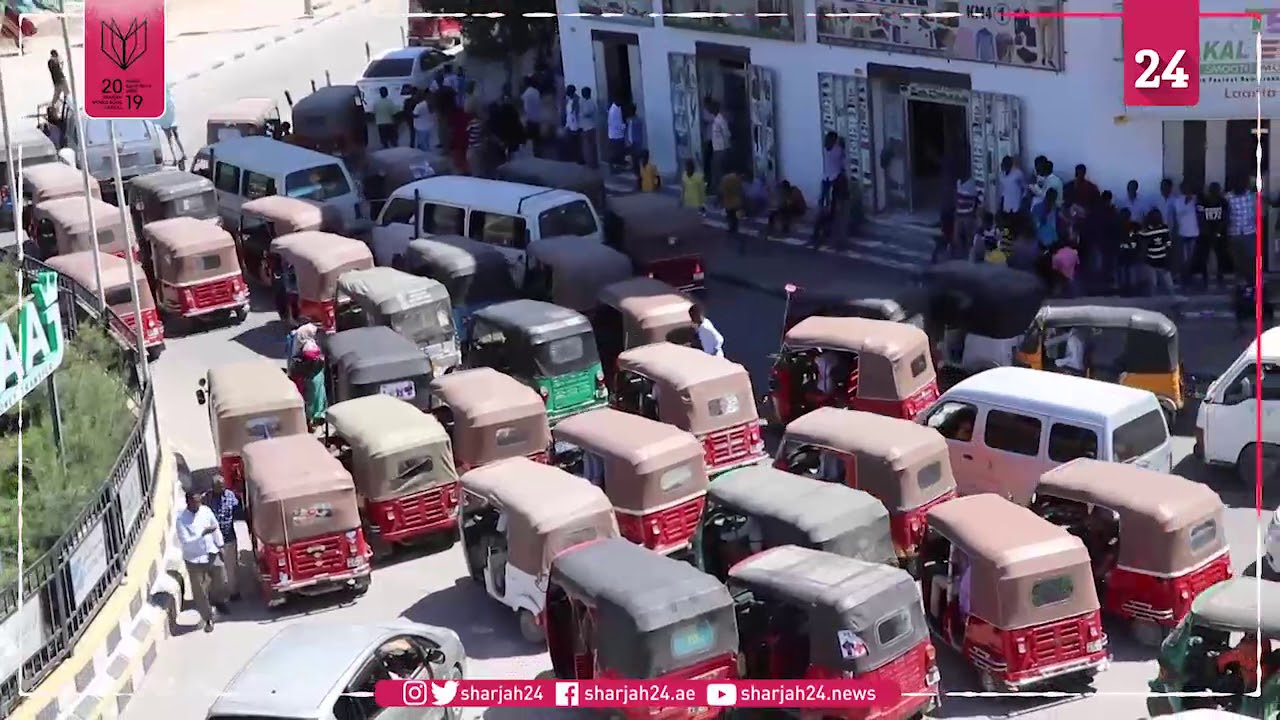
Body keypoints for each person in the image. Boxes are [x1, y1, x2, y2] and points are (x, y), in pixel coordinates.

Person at [175, 490, 227, 633]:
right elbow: (185, 541)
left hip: (210, 552)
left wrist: (220, 544)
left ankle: (216, 600)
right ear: (188, 502)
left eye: (199, 501)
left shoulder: (206, 511)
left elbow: (215, 527)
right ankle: (208, 617)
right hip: (194, 558)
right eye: (195, 502)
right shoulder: (181, 520)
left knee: (221, 576)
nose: (198, 504)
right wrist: (202, 534)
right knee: (199, 590)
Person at [205, 475, 241, 601]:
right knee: (215, 569)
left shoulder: (230, 496)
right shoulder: (206, 499)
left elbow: (237, 510)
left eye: (223, 486)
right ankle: (215, 596)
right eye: (218, 487)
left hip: (229, 537)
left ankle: (233, 593)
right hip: (212, 541)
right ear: (213, 487)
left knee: (231, 568)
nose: (221, 488)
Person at [1193, 181, 1232, 289]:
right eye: (1213, 189)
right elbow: (1199, 217)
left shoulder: (1223, 202)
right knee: (1203, 256)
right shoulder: (1202, 201)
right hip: (1205, 233)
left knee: (1221, 255)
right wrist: (1207, 231)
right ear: (1209, 190)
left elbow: (1226, 217)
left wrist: (1218, 231)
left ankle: (1220, 277)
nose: (1215, 192)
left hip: (1219, 232)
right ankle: (1205, 278)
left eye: (1217, 189)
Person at [1226, 177, 1257, 277]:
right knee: (1237, 260)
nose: (1240, 186)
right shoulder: (1228, 198)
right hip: (1234, 233)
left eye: (1242, 184)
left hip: (1249, 232)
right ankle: (1241, 281)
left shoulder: (1251, 195)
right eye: (1237, 184)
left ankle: (1253, 280)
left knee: (1251, 258)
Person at [1139, 208, 1174, 295]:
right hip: (1163, 258)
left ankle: (1153, 299)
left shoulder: (1146, 231)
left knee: (1153, 283)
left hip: (1151, 259)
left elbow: (1143, 246)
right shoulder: (1164, 228)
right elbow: (1168, 243)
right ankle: (1172, 297)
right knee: (1168, 282)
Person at [155, 84, 187, 169]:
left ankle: (175, 158)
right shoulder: (171, 98)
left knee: (170, 140)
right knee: (177, 138)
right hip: (173, 122)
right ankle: (183, 154)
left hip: (166, 123)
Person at [953, 166, 983, 257]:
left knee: (968, 238)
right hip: (959, 216)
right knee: (958, 238)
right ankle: (962, 256)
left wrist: (977, 215)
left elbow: (980, 200)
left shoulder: (972, 185)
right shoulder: (958, 183)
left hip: (968, 216)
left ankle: (968, 256)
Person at [707, 100, 730, 199]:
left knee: (720, 174)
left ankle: (722, 195)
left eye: (711, 108)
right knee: (716, 173)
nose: (710, 110)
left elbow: (727, 134)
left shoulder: (721, 120)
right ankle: (719, 194)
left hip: (721, 149)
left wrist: (725, 147)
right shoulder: (716, 119)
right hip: (717, 149)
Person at [520, 76, 544, 157]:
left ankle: (530, 153)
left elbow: (524, 107)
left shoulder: (526, 93)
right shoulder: (536, 91)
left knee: (528, 136)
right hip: (537, 117)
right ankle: (538, 152)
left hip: (530, 118)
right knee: (537, 137)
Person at [721, 169, 744, 249]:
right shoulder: (738, 179)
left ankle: (732, 230)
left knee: (730, 217)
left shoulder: (724, 179)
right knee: (736, 219)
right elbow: (741, 190)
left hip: (728, 203)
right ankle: (735, 230)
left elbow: (722, 191)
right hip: (737, 203)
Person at [624, 103, 646, 183]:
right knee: (634, 161)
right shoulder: (632, 120)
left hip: (634, 143)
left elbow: (633, 133)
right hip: (633, 143)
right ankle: (638, 177)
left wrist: (630, 142)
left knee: (635, 161)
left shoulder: (634, 121)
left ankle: (639, 179)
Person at [578, 87, 599, 169]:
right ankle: (590, 163)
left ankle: (593, 164)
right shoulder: (584, 101)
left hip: (590, 127)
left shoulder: (590, 102)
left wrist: (581, 112)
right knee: (588, 147)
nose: (582, 94)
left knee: (591, 147)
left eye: (583, 92)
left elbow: (586, 113)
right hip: (585, 127)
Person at [562, 85, 581, 164]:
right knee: (573, 143)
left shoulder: (577, 100)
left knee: (578, 143)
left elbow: (576, 114)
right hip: (571, 125)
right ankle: (575, 157)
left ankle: (580, 158)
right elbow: (568, 114)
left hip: (576, 125)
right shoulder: (569, 100)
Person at [606, 96, 626, 171]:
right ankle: (613, 168)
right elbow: (615, 124)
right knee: (614, 153)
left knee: (619, 152)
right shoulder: (613, 111)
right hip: (615, 135)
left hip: (618, 134)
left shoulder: (618, 108)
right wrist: (624, 126)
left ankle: (618, 167)